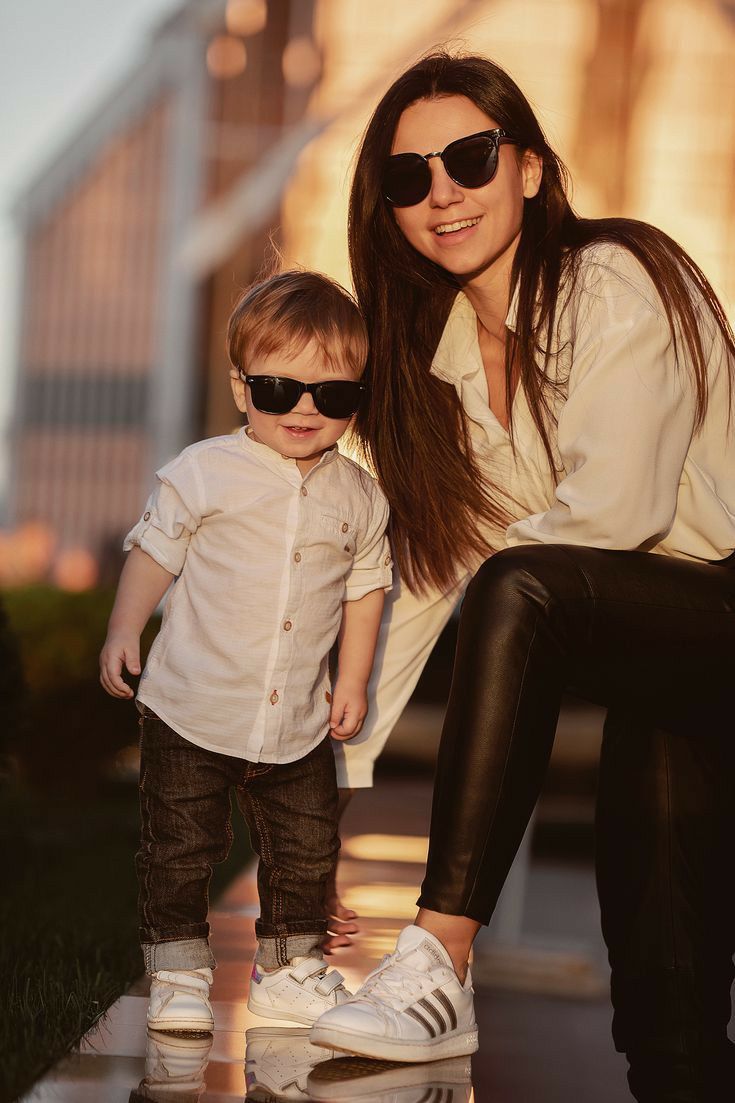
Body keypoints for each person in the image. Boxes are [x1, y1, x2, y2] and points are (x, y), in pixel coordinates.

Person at [311, 53, 735, 1099]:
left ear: (531, 169)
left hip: (713, 608)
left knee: (522, 584)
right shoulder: (442, 362)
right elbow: (416, 589)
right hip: (666, 665)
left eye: (469, 158)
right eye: (410, 178)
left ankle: (437, 957)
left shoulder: (619, 277)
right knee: (665, 1023)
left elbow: (610, 517)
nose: (442, 191)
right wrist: (321, 804)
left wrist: (494, 587)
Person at [99, 270, 393, 1034]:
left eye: (332, 395)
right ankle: (179, 971)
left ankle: (290, 970)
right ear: (240, 388)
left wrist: (352, 678)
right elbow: (152, 553)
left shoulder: (359, 496)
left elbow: (367, 588)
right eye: (278, 388)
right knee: (180, 848)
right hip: (191, 707)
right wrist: (124, 627)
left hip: (295, 720)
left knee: (306, 848)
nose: (305, 409)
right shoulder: (204, 471)